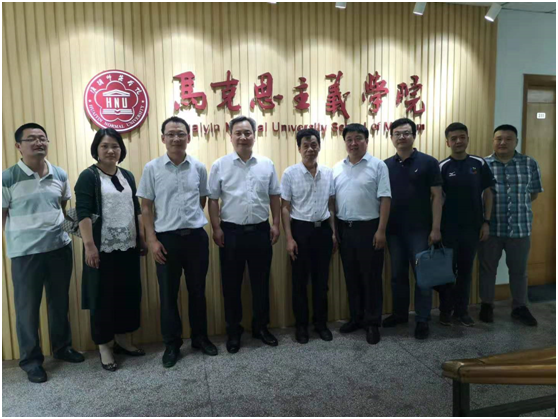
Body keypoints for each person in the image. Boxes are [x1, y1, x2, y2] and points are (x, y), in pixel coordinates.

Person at [2, 123, 84, 383]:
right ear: (19, 146)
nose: (38, 143)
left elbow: (62, 207)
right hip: (26, 254)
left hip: (59, 248)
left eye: (42, 138)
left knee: (59, 302)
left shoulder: (59, 173)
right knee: (27, 309)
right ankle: (31, 361)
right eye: (31, 139)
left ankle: (62, 348)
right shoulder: (7, 177)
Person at [137, 116, 217, 368]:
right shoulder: (152, 168)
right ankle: (172, 345)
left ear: (188, 137)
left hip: (195, 238)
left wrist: (189, 220)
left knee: (198, 291)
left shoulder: (199, 167)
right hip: (166, 240)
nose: (176, 138)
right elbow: (146, 208)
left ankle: (200, 338)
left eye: (180, 133)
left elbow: (202, 200)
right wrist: (152, 240)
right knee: (168, 294)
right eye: (170, 134)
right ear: (163, 138)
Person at [75, 128, 147, 372]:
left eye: (115, 146)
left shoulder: (127, 175)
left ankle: (123, 339)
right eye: (105, 146)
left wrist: (141, 237)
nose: (110, 150)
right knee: (102, 298)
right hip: (101, 248)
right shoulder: (89, 176)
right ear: (96, 149)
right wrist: (89, 246)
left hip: (128, 246)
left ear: (121, 150)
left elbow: (136, 208)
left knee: (127, 294)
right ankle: (104, 345)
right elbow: (83, 213)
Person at [208, 116, 281, 354]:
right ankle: (233, 331)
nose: (243, 137)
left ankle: (261, 327)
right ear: (230, 136)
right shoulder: (220, 165)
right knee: (231, 285)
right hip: (231, 233)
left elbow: (274, 196)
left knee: (261, 283)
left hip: (260, 231)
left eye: (247, 133)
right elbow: (213, 200)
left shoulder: (266, 164)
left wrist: (276, 223)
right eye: (238, 133)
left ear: (254, 135)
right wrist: (216, 228)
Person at [383, 118, 443, 340]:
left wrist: (435, 228)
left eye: (406, 133)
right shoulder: (385, 165)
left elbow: (437, 196)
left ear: (414, 136)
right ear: (391, 137)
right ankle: (400, 315)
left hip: (420, 230)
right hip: (394, 231)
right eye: (397, 134)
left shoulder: (428, 162)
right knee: (397, 275)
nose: (402, 137)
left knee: (422, 277)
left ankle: (422, 319)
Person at [478, 124, 543, 326]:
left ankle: (520, 308)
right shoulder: (483, 165)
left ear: (516, 141)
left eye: (508, 139)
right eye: (499, 139)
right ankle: (486, 305)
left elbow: (533, 193)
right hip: (491, 228)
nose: (503, 142)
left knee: (519, 271)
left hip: (520, 228)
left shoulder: (529, 163)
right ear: (493, 141)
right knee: (487, 269)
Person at [332, 123, 391, 345]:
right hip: (345, 229)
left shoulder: (378, 166)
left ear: (366, 140)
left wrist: (381, 230)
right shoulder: (337, 168)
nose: (353, 143)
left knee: (371, 277)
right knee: (352, 276)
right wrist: (335, 231)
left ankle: (372, 322)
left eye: (358, 138)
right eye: (349, 139)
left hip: (370, 229)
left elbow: (385, 198)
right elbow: (332, 202)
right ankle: (356, 318)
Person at [281, 128, 337, 344]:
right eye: (305, 145)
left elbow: (331, 206)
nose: (310, 149)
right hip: (300, 231)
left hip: (323, 231)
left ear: (319, 146)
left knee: (322, 282)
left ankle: (320, 324)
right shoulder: (290, 174)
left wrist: (333, 232)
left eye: (314, 145)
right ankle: (301, 326)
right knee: (299, 283)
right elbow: (285, 208)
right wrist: (289, 238)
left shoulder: (328, 173)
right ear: (299, 148)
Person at [437, 123, 495, 327]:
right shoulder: (442, 167)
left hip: (472, 228)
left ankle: (461, 311)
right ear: (447, 142)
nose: (458, 141)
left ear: (467, 139)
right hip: (448, 229)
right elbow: (437, 199)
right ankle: (445, 311)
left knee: (465, 271)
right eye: (453, 138)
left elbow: (488, 193)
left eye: (462, 137)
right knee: (446, 272)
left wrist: (486, 222)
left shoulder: (479, 163)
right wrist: (435, 228)